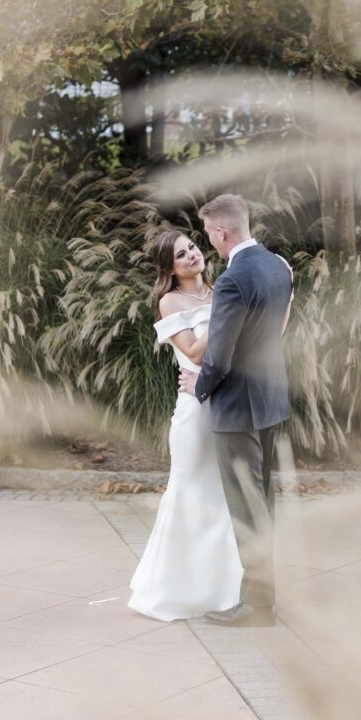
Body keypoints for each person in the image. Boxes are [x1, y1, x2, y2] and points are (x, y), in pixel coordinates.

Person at [178, 194, 293, 628]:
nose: (208, 242)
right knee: (262, 504)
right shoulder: (277, 266)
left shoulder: (231, 280)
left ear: (221, 233)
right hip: (271, 402)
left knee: (247, 510)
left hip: (239, 408)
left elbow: (220, 358)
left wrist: (197, 387)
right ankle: (266, 598)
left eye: (208, 234)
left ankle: (258, 606)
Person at [127, 229, 242, 621]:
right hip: (194, 407)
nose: (192, 255)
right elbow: (192, 349)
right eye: (181, 255)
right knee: (189, 488)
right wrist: (229, 312)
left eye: (192, 247)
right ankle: (171, 590)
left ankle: (218, 589)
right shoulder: (169, 301)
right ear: (170, 268)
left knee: (221, 496)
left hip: (226, 403)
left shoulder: (216, 291)